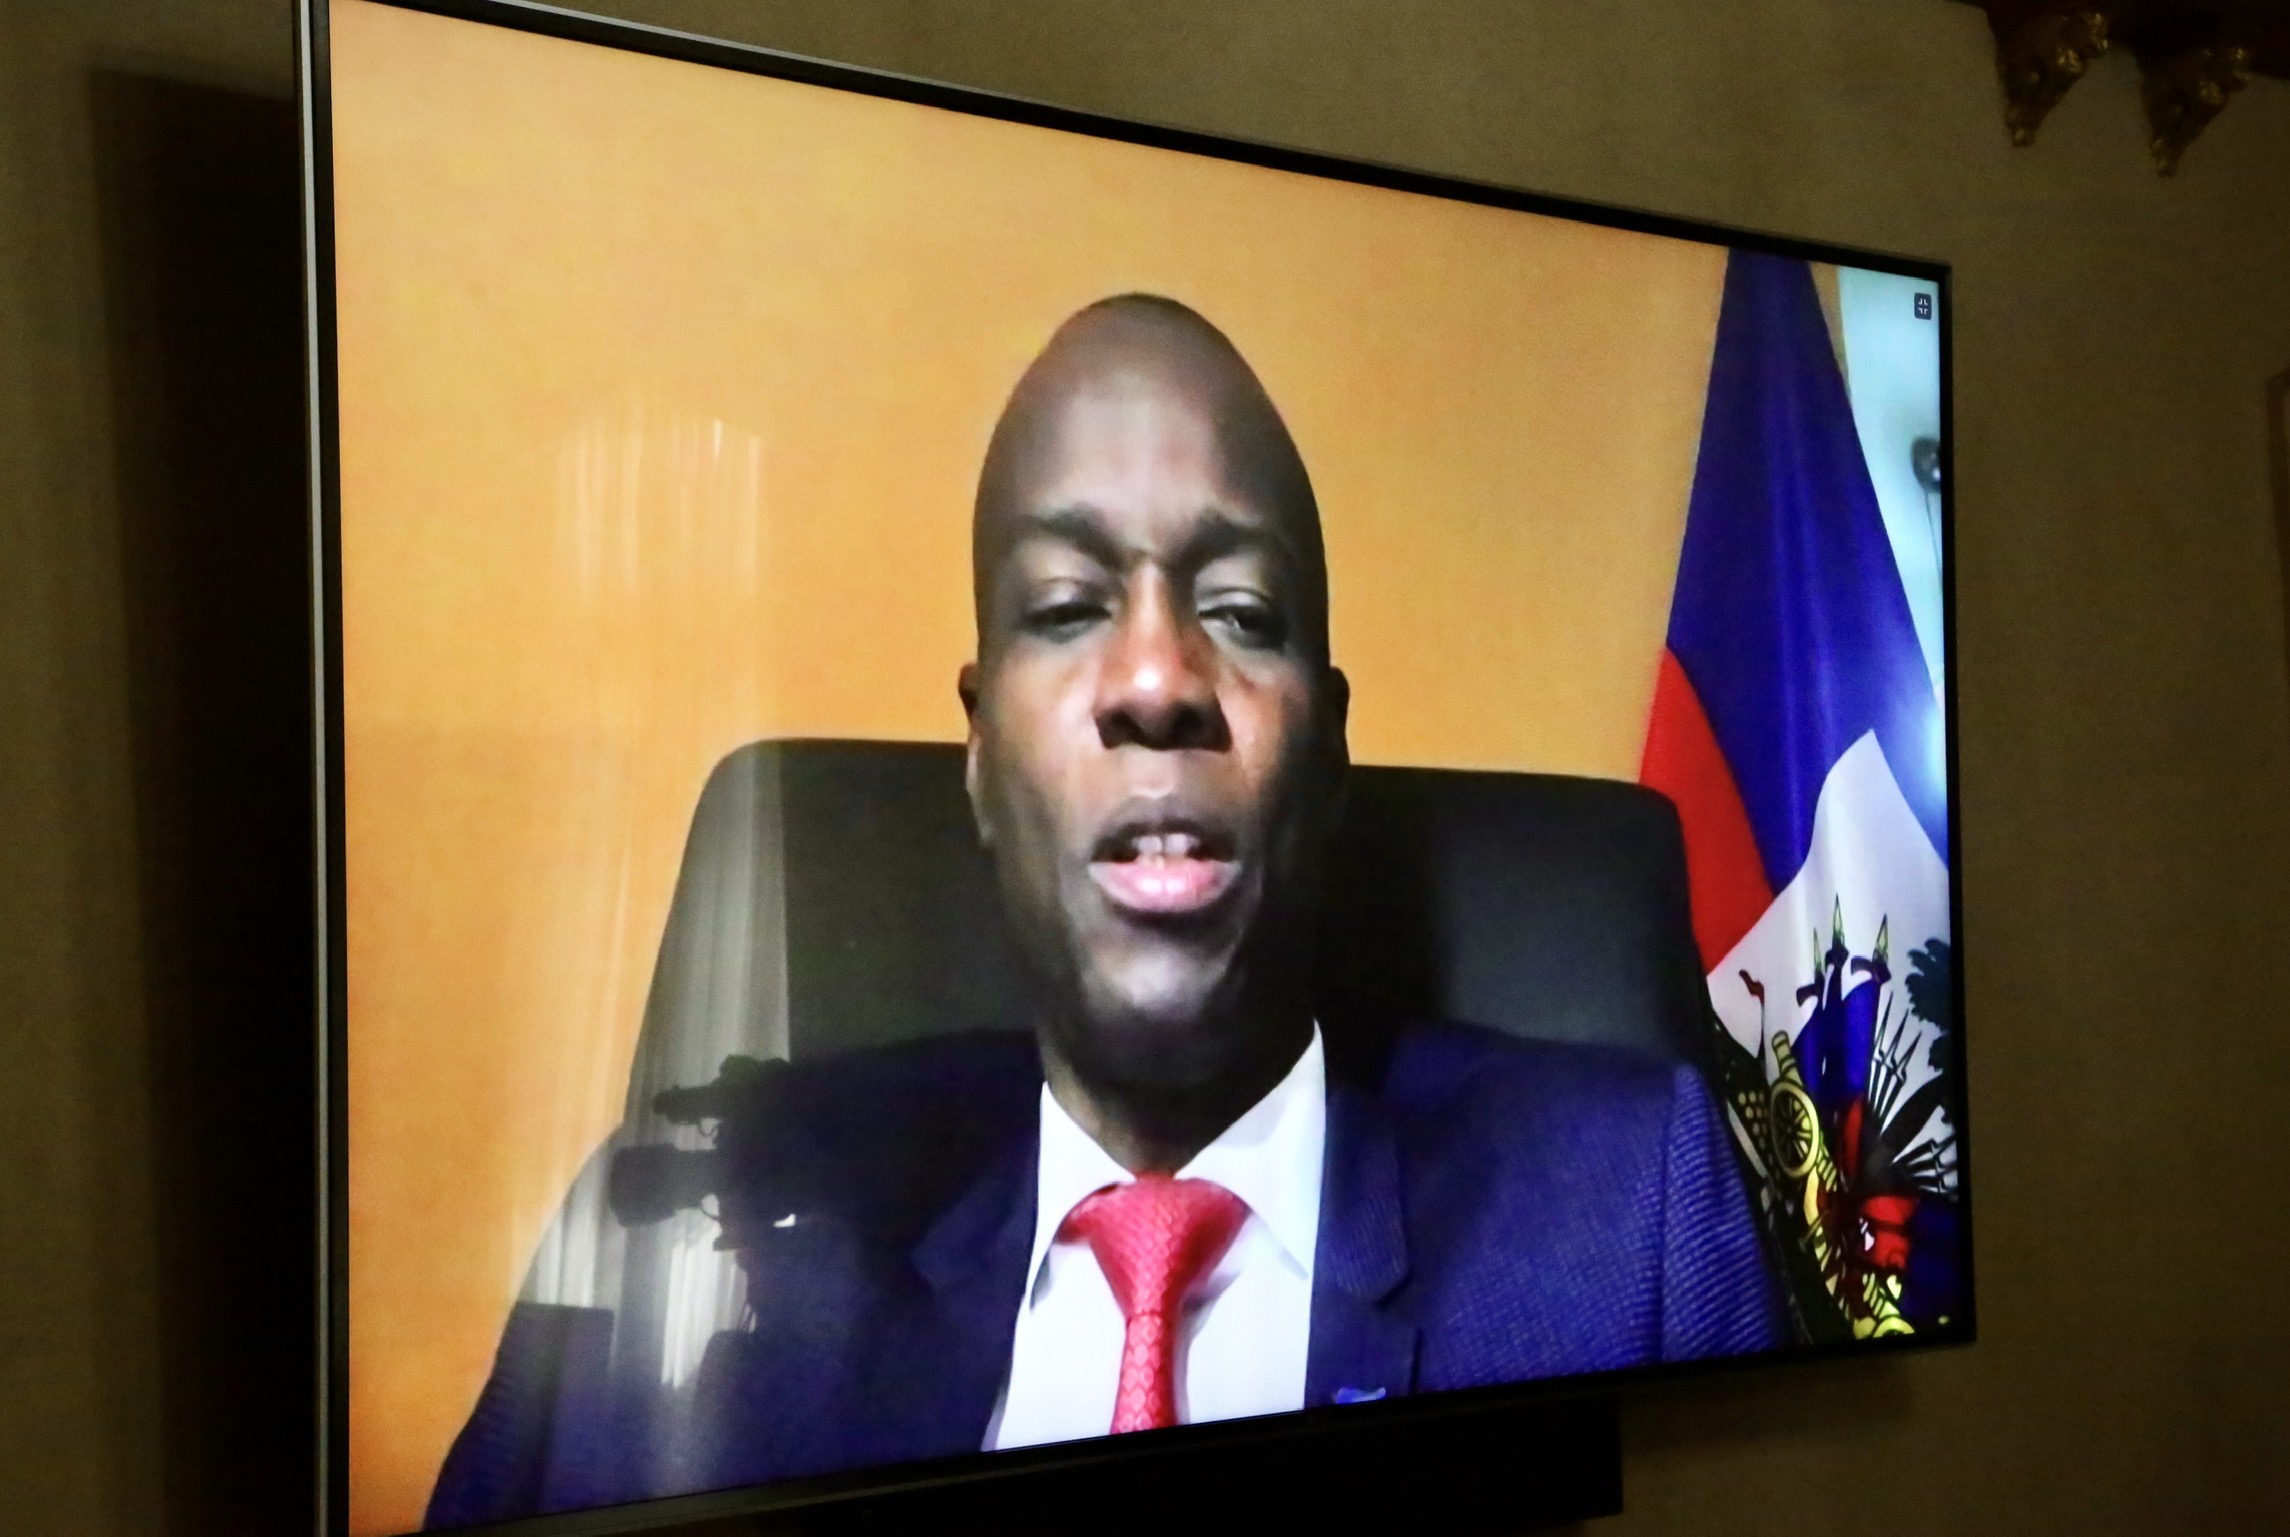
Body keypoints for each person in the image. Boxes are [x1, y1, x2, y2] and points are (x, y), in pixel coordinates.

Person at [425, 295, 1783, 1527]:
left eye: (1241, 611)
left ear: (1328, 754)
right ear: (977, 755)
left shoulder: (1630, 1222)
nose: (1154, 680)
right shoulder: (692, 1226)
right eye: (1068, 605)